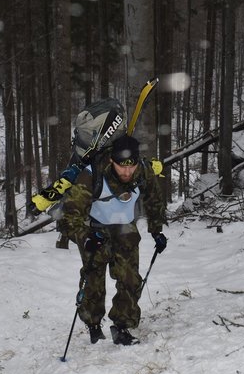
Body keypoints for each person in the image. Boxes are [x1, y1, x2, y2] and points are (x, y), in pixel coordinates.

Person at [61, 134, 167, 346]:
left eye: (131, 166)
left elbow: (154, 198)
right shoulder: (92, 175)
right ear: (112, 161)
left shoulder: (143, 171)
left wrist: (156, 230)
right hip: (96, 229)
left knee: (129, 279)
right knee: (93, 280)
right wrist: (85, 237)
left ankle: (122, 326)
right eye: (122, 167)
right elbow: (69, 218)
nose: (127, 172)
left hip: (126, 229)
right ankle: (93, 324)